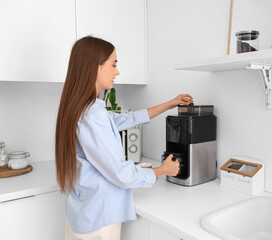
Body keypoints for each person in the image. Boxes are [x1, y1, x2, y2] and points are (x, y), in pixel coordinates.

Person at [55, 36, 193, 240]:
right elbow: (120, 173)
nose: (117, 71)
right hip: (99, 221)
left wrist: (169, 104)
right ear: (95, 66)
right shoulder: (92, 115)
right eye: (113, 64)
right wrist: (163, 170)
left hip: (83, 213)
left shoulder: (82, 108)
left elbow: (125, 119)